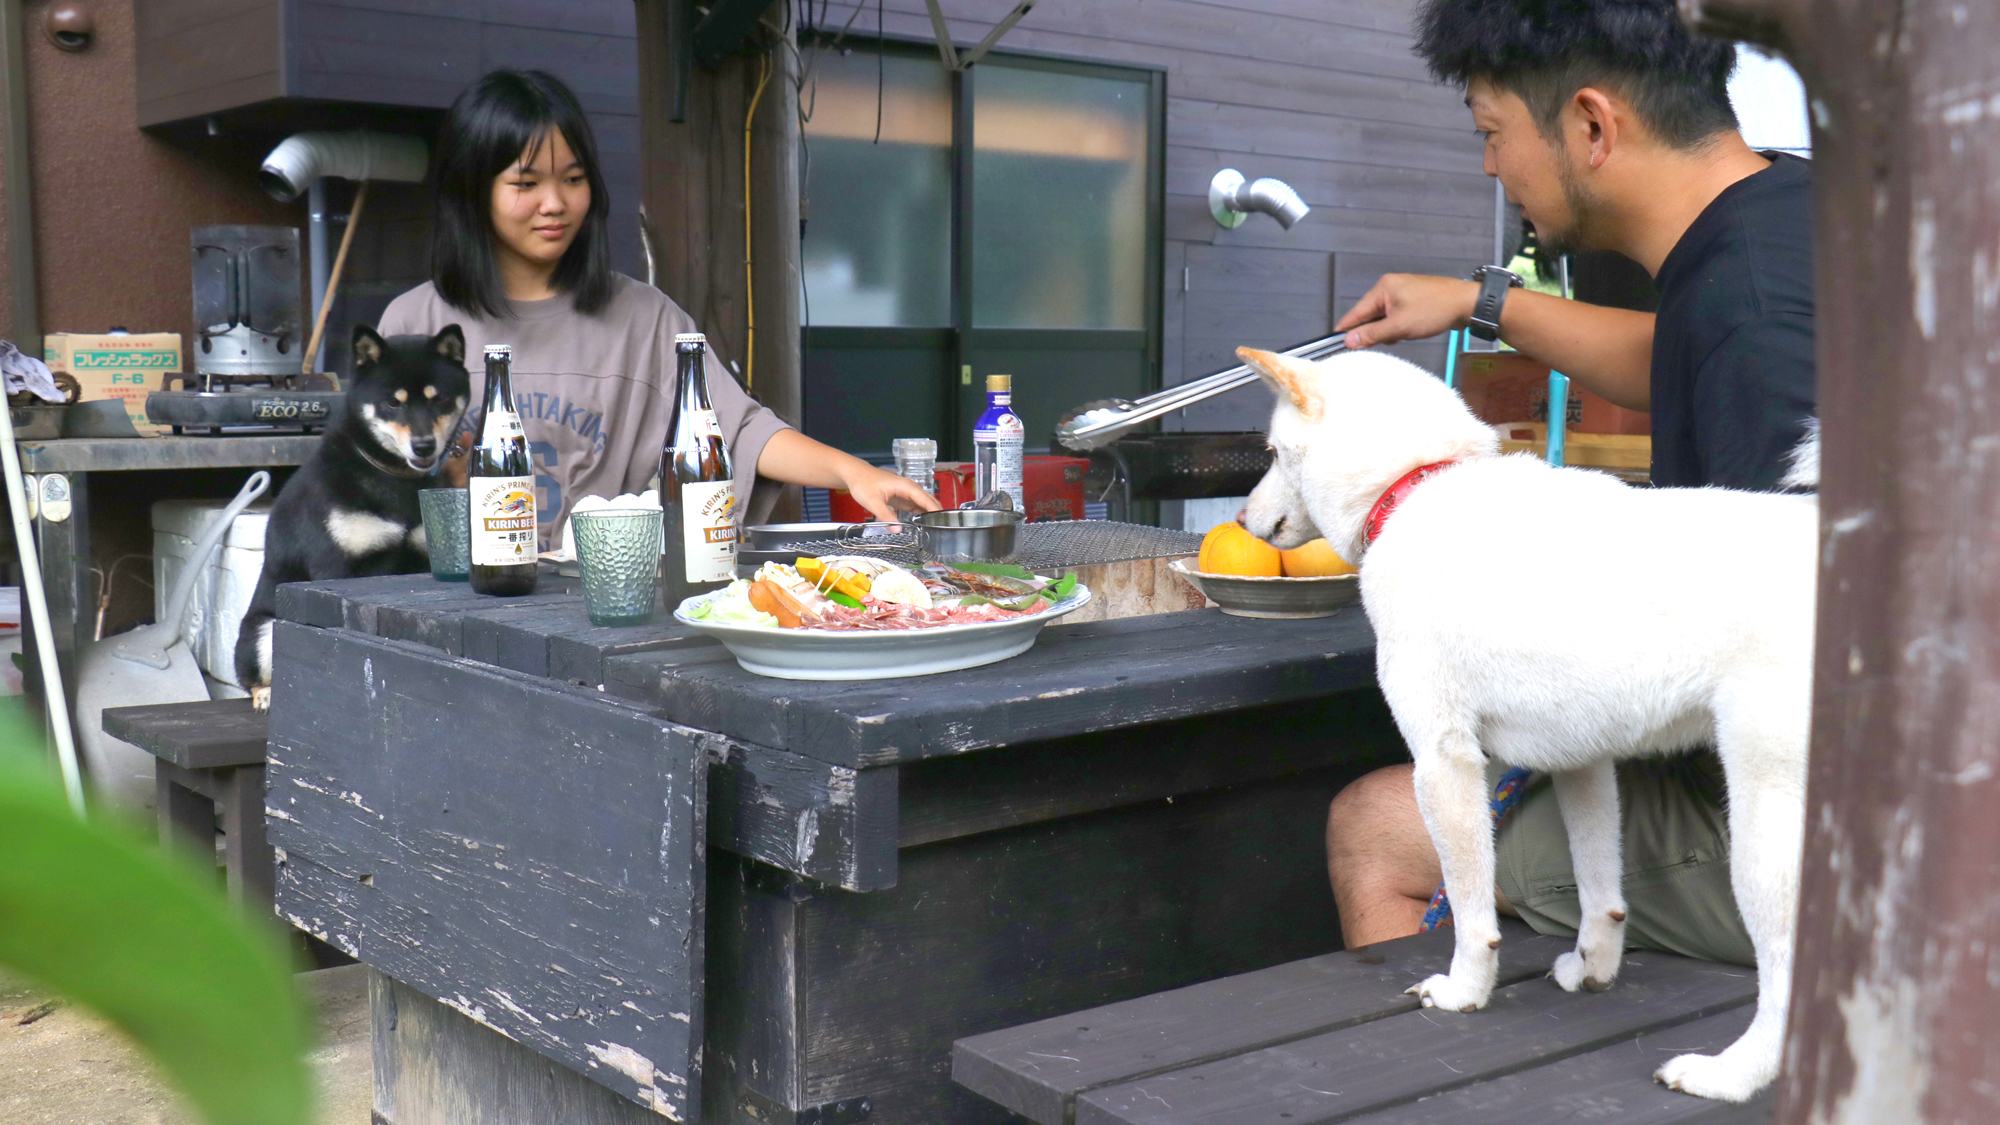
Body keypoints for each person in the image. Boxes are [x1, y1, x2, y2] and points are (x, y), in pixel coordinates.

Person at [1323, 0, 1814, 966]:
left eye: (1492, 133)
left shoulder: (1754, 322)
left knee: (1379, 826)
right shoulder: (1786, 215)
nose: (1490, 167)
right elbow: (1671, 352)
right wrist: (1478, 302)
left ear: (1591, 126)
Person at [378, 69, 937, 547]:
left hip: (596, 603)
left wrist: (851, 473)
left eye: (573, 179)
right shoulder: (413, 325)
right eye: (526, 182)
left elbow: (737, 430)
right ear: (473, 191)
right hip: (447, 610)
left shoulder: (643, 318)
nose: (556, 203)